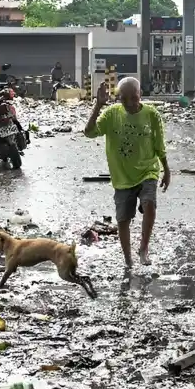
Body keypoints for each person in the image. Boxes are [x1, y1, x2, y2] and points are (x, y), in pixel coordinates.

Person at [84, 77, 169, 268]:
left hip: (148, 170)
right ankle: (128, 260)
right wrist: (98, 105)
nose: (130, 103)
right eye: (125, 99)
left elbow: (159, 145)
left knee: (149, 204)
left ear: (141, 95)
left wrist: (166, 169)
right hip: (122, 176)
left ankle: (143, 249)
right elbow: (88, 132)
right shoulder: (112, 114)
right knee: (123, 220)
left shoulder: (152, 115)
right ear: (118, 99)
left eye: (135, 98)